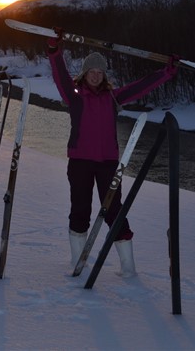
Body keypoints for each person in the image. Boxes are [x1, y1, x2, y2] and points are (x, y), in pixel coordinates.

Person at [46, 32, 178, 276]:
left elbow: (141, 86)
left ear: (104, 75)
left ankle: (128, 267)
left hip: (108, 164)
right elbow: (60, 75)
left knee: (115, 212)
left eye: (100, 72)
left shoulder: (113, 98)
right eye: (91, 72)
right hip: (80, 163)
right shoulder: (73, 97)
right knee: (80, 210)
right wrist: (55, 51)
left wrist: (166, 73)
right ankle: (78, 261)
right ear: (84, 74)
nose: (95, 76)